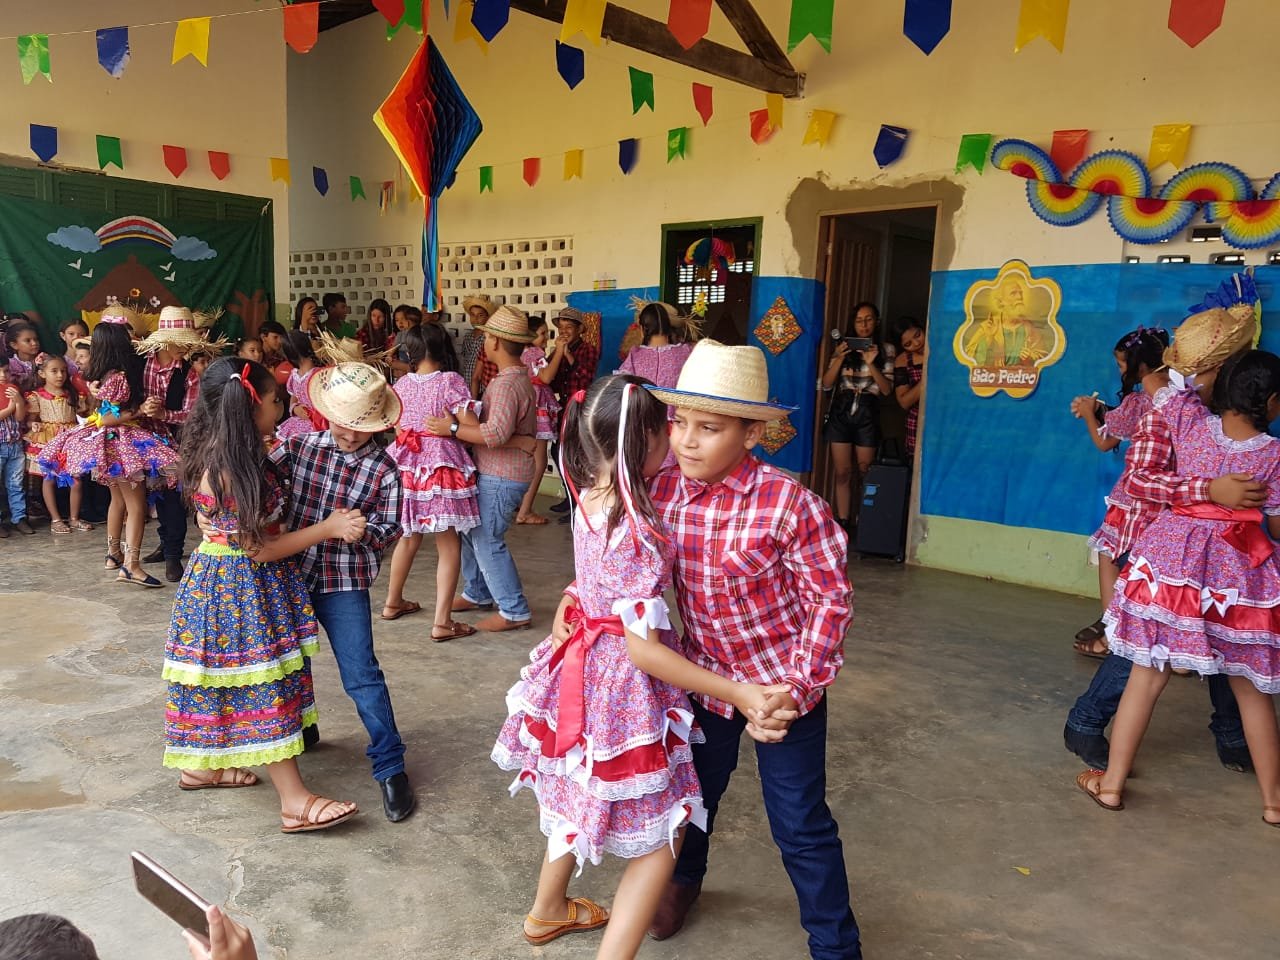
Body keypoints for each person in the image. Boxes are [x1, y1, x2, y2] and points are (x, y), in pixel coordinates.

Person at [553, 341, 861, 958]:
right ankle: (683, 882)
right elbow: (618, 559)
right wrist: (574, 596)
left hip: (779, 691)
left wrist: (793, 690)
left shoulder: (790, 505)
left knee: (800, 824)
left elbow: (830, 602)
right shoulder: (659, 490)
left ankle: (834, 944)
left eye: (710, 428)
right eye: (680, 423)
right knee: (691, 799)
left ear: (752, 434)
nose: (687, 442)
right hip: (701, 681)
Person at [494, 374, 785, 957]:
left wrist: (575, 598)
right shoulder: (639, 529)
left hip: (581, 668)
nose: (679, 441)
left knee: (578, 786)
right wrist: (741, 692)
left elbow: (595, 582)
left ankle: (547, 909)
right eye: (670, 428)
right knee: (664, 833)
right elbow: (644, 649)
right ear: (646, 440)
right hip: (621, 687)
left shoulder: (588, 495)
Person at [1080, 348, 1280, 825]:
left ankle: (1111, 785)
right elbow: (1275, 525)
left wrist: (1180, 357)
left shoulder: (1191, 424)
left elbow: (1157, 382)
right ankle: (1274, 803)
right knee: (1251, 689)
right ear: (1273, 403)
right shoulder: (1274, 455)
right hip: (1236, 577)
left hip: (1173, 567)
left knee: (1146, 675)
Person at [163, 358, 361, 832]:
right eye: (275, 399)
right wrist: (328, 527)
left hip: (243, 585)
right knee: (262, 685)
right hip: (238, 590)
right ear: (251, 407)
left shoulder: (236, 453)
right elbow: (258, 549)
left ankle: (201, 768)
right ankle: (294, 801)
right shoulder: (226, 469)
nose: (282, 406)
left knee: (227, 683)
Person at [1063, 308, 1257, 774]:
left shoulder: (1228, 413)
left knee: (1227, 634)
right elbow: (1141, 480)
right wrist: (1208, 491)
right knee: (1148, 645)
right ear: (1216, 368)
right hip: (1166, 544)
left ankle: (1232, 735)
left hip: (1221, 548)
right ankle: (1086, 722)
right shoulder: (1168, 410)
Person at [269, 362, 416, 823]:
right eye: (343, 424)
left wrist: (362, 531)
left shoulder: (386, 470)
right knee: (290, 662)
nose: (350, 435)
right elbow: (259, 486)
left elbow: (390, 529)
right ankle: (303, 728)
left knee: (362, 674)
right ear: (326, 415)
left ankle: (390, 767)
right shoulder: (297, 447)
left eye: (361, 427)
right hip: (288, 574)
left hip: (344, 582)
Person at [39, 312, 180, 585]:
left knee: (118, 500)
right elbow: (107, 418)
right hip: (121, 444)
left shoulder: (103, 376)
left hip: (109, 445)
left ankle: (113, 554)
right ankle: (131, 566)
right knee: (136, 506)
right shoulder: (120, 377)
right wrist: (139, 410)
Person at [426, 305, 537, 633]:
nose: (485, 342)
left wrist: (452, 429)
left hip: (503, 475)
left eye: (487, 337)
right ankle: (477, 592)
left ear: (496, 342)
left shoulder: (505, 385)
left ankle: (514, 610)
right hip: (499, 471)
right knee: (471, 532)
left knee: (487, 539)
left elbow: (495, 433)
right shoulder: (513, 379)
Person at [1070, 327, 1169, 656]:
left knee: (1110, 555)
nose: (1120, 370)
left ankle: (1112, 632)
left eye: (1122, 364)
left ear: (1141, 366)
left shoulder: (1138, 402)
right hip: (1170, 502)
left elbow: (1104, 442)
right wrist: (1104, 410)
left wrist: (1089, 414)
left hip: (1134, 501)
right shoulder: (1185, 399)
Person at [381, 324, 482, 640]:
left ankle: (392, 602)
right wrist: (450, 427)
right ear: (443, 349)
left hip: (406, 465)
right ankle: (441, 622)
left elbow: (398, 428)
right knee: (448, 543)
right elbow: (471, 427)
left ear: (410, 353)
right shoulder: (450, 381)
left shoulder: (401, 384)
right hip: (440, 467)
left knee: (408, 536)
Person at [137, 307, 205, 583]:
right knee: (153, 497)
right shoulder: (139, 363)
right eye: (181, 341)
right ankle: (165, 543)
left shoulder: (189, 374)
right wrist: (142, 408)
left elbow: (191, 414)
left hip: (174, 443)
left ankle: (173, 554)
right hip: (140, 441)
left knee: (173, 497)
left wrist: (164, 414)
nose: (186, 347)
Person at [821, 302, 895, 531]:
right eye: (859, 320)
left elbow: (886, 390)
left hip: (867, 410)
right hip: (842, 410)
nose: (864, 325)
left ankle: (865, 522)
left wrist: (871, 363)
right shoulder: (843, 347)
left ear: (877, 322)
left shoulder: (886, 349)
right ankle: (843, 522)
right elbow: (826, 384)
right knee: (842, 472)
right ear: (853, 323)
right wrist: (839, 357)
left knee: (866, 471)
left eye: (869, 319)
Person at [617, 301, 698, 471]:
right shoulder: (686, 352)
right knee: (674, 476)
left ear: (642, 329)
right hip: (678, 430)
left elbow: (621, 387)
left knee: (645, 472)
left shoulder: (635, 356)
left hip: (643, 430)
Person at [24, 355, 91, 534]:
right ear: (42, 373)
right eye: (54, 371)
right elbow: (30, 420)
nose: (60, 375)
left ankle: (74, 518)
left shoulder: (73, 394)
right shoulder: (37, 396)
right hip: (48, 440)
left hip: (70, 439)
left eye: (63, 371)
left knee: (76, 479)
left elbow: (83, 415)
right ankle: (56, 519)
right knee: (49, 479)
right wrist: (33, 425)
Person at [547, 307, 601, 520]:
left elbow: (585, 377)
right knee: (557, 452)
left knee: (576, 456)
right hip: (563, 407)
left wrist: (567, 354)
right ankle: (570, 496)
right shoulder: (558, 350)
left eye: (569, 327)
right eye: (561, 328)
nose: (564, 332)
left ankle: (579, 504)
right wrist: (556, 354)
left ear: (580, 329)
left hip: (580, 408)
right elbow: (549, 377)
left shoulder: (588, 350)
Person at [514, 315, 560, 526]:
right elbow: (546, 377)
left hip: (526, 406)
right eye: (542, 333)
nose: (546, 337)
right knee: (539, 461)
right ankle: (525, 511)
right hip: (538, 409)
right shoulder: (535, 353)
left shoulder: (520, 353)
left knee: (526, 459)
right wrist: (559, 351)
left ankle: (520, 504)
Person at [276, 331, 324, 441]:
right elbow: (294, 397)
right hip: (297, 423)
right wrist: (294, 408)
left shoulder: (319, 375)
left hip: (316, 426)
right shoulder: (294, 375)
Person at [0, 363, 28, 537]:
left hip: (15, 445)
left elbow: (19, 417)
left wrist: (18, 401)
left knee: (16, 483)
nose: (3, 375)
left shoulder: (12, 389)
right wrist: (10, 408)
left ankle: (19, 518)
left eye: (5, 371)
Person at [893, 317, 925, 460]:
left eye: (918, 335)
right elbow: (904, 402)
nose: (917, 343)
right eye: (908, 344)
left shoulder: (944, 349)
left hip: (946, 418)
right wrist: (928, 374)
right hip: (917, 422)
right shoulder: (903, 360)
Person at [459, 296, 495, 397]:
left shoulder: (490, 337)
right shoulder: (468, 336)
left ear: (487, 317)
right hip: (467, 385)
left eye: (480, 315)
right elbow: (465, 359)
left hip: (483, 388)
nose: (476, 319)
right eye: (472, 315)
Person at [6, 320, 48, 391]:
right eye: (28, 340)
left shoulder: (46, 359)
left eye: (36, 339)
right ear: (14, 345)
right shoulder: (9, 365)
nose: (34, 343)